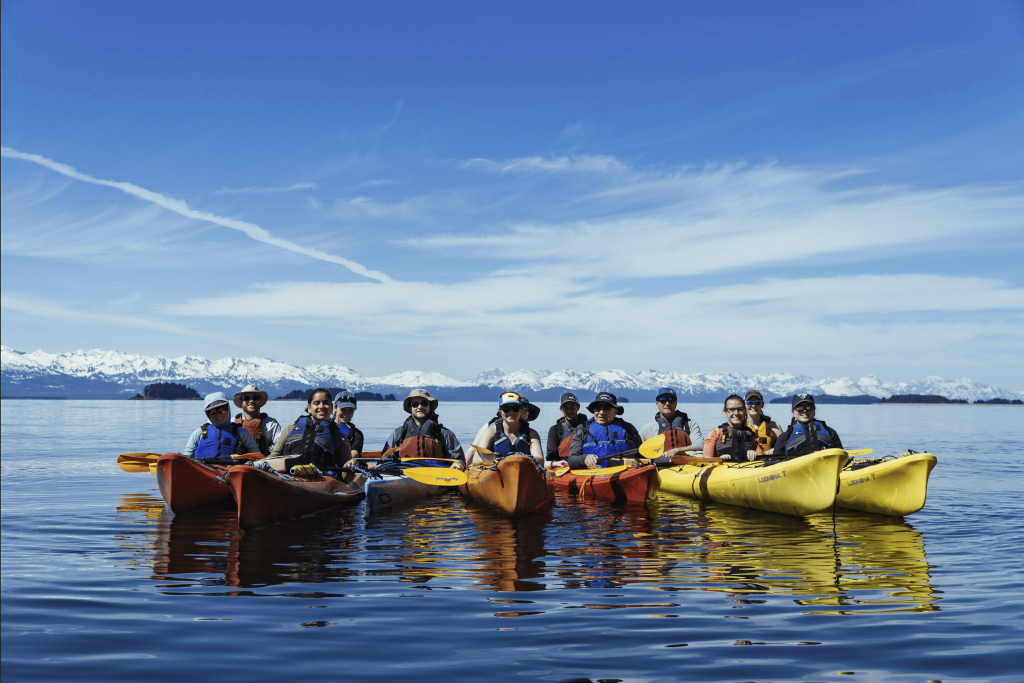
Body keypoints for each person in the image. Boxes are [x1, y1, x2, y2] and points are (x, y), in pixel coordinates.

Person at [267, 388, 356, 478]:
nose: (321, 406)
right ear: (309, 408)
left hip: (321, 482)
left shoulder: (339, 438)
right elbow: (274, 456)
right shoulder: (290, 429)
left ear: (332, 407)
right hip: (287, 477)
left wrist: (350, 466)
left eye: (325, 403)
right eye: (317, 403)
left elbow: (346, 477)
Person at [382, 389, 465, 470]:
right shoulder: (397, 434)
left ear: (430, 406)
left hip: (436, 475)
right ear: (410, 408)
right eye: (415, 404)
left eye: (424, 403)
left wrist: (458, 464)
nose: (420, 407)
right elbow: (385, 459)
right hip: (403, 474)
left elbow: (459, 459)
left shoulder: (445, 434)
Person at [568, 392, 643, 470]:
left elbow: (643, 454)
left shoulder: (629, 429)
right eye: (598, 407)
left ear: (615, 411)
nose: (601, 412)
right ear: (593, 410)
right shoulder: (583, 431)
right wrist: (585, 458)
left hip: (626, 474)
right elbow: (571, 460)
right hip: (594, 476)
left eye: (607, 408)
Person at [468, 392, 543, 467]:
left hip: (523, 472)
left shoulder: (531, 434)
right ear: (500, 411)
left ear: (520, 410)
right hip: (497, 474)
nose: (511, 412)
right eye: (506, 409)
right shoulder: (490, 432)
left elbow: (540, 459)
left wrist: (522, 460)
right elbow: (476, 459)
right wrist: (495, 461)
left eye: (515, 408)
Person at [182, 392, 260, 460]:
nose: (218, 415)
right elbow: (186, 458)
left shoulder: (241, 432)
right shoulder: (199, 433)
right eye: (212, 412)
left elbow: (257, 457)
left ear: (227, 410)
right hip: (204, 470)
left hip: (231, 472)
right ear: (208, 414)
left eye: (222, 410)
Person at [768, 394, 843, 457]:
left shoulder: (830, 432)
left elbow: (841, 454)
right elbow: (776, 460)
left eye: (809, 408)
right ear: (793, 412)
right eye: (800, 408)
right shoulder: (785, 437)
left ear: (814, 411)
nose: (804, 410)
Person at [638, 387, 704, 456]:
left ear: (676, 403)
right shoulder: (647, 429)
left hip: (688, 464)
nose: (667, 403)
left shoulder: (690, 424)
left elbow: (701, 445)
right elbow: (639, 452)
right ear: (657, 404)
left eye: (671, 400)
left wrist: (677, 450)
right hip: (660, 465)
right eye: (663, 400)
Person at [703, 394, 760, 461]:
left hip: (747, 468)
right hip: (721, 468)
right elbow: (707, 460)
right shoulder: (715, 433)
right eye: (732, 409)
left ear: (745, 411)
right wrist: (719, 459)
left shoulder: (753, 436)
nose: (736, 413)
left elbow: (762, 462)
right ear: (725, 412)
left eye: (740, 409)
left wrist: (755, 455)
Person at [232, 384, 281, 456]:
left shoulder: (271, 424)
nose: (251, 401)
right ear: (241, 402)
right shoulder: (232, 422)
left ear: (260, 401)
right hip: (237, 464)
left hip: (263, 463)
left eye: (255, 398)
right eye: (246, 398)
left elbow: (280, 447)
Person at [546, 392, 588, 465]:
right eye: (566, 408)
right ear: (561, 409)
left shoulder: (587, 426)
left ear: (578, 407)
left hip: (585, 464)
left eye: (572, 407)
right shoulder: (554, 430)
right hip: (564, 466)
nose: (569, 411)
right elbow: (550, 455)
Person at [333, 391, 364, 459]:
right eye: (343, 410)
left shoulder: (356, 434)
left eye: (350, 410)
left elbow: (354, 454)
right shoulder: (325, 427)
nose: (346, 413)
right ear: (335, 407)